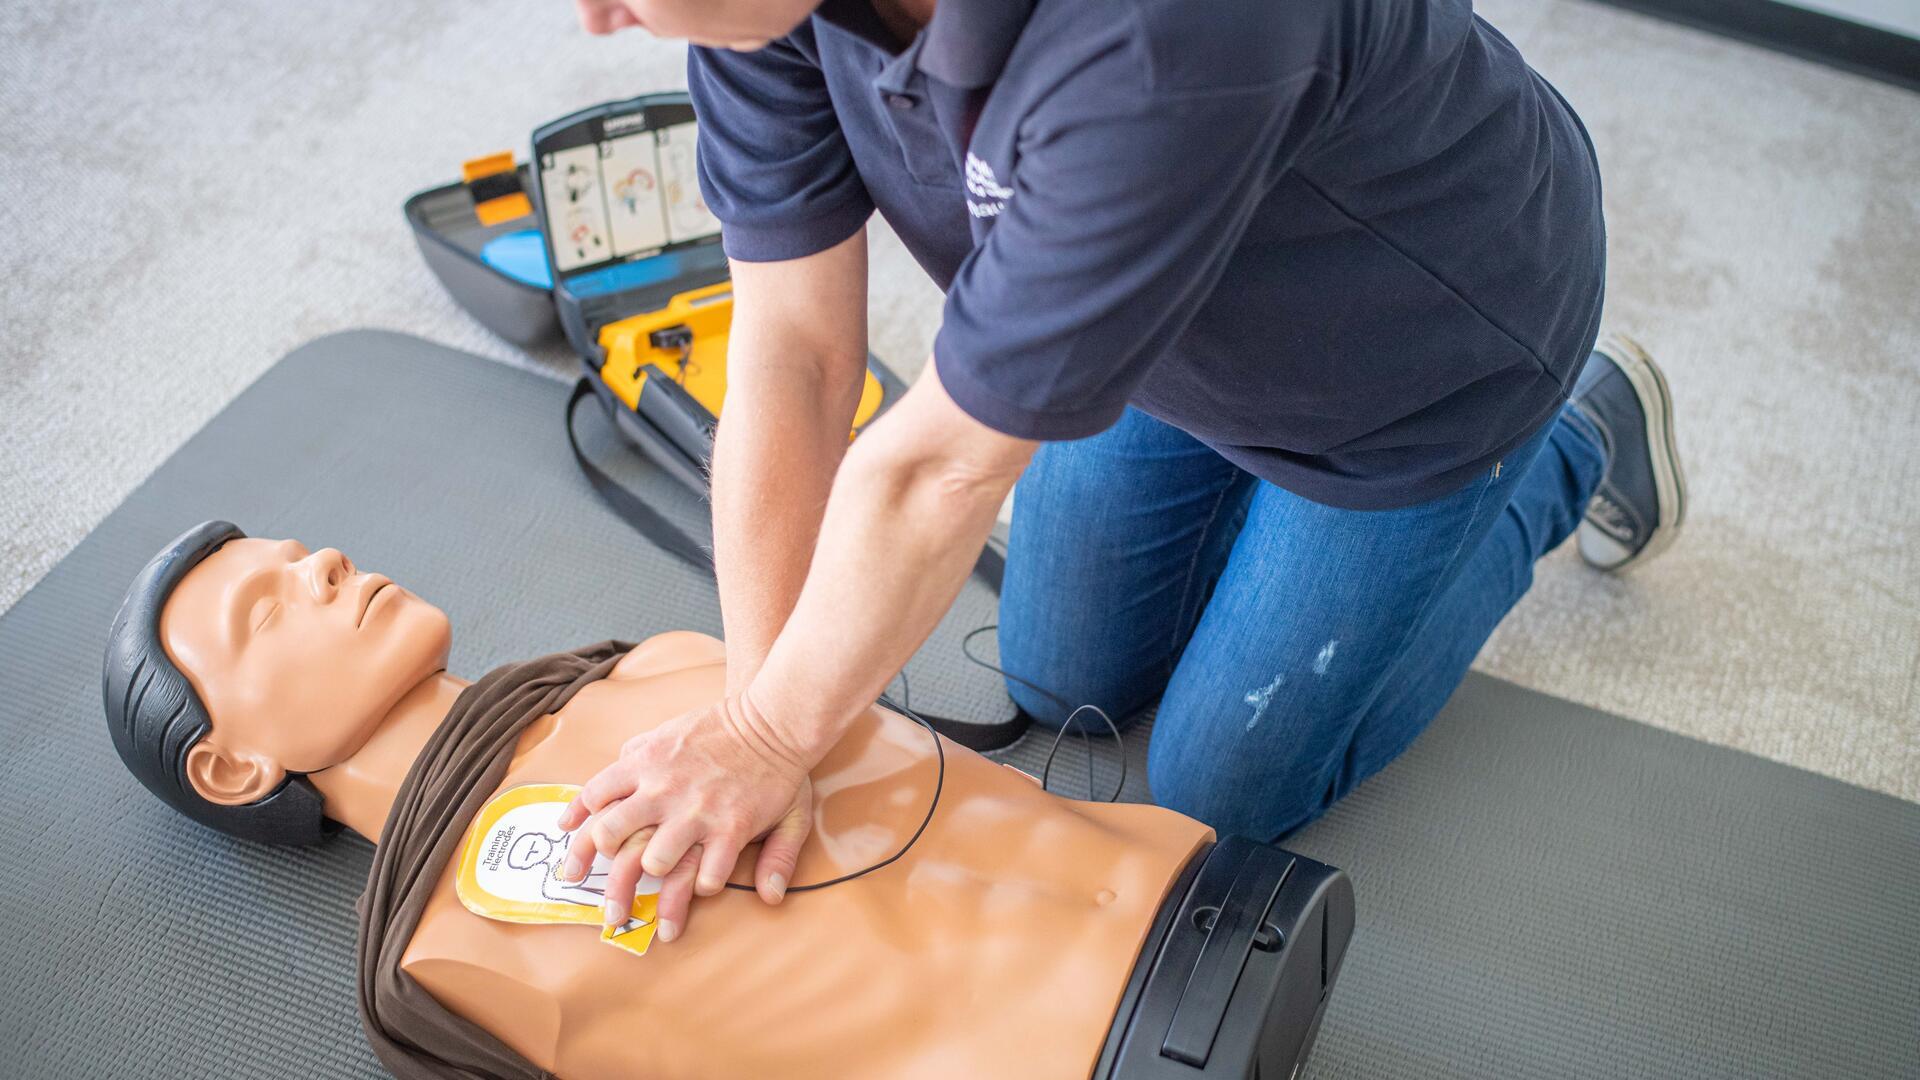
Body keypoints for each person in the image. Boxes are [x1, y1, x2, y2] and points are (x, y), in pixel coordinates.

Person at [561, 0, 1689, 942]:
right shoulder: (764, 13)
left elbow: (933, 476)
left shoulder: (1162, 31)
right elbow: (795, 355)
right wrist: (769, 722)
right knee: (1057, 679)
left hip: (1419, 370)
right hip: (1157, 336)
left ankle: (1579, 435)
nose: (595, 15)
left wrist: (766, 738)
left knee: (1217, 795)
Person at [102, 523, 1217, 1078]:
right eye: (271, 608)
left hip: (1197, 880)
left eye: (300, 555)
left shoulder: (662, 666)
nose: (327, 564)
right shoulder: (447, 961)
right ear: (234, 769)